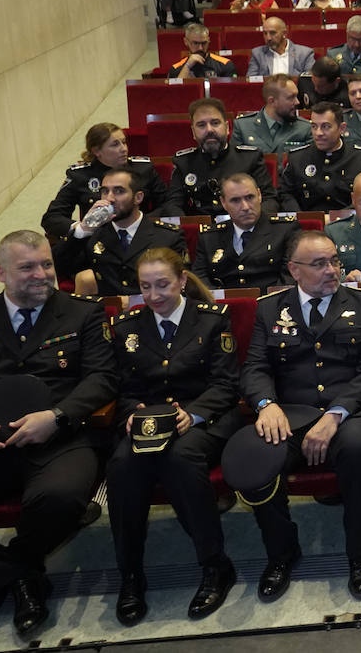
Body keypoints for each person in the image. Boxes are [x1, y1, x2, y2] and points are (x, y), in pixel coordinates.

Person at [229, 231, 361, 601]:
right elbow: (254, 368)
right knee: (255, 457)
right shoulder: (270, 308)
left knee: (357, 449)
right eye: (319, 264)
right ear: (294, 270)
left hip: (351, 413)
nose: (331, 270)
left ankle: (360, 554)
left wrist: (334, 415)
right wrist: (266, 406)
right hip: (290, 414)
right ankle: (281, 552)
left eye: (334, 260)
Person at [0, 230, 115, 634]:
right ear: (1, 273)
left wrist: (57, 415)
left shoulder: (82, 313)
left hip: (60, 439)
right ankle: (19, 577)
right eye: (27, 267)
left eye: (47, 264)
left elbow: (103, 378)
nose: (41, 274)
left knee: (62, 498)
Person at [106, 248, 243, 623]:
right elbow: (123, 388)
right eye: (145, 287)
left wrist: (194, 414)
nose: (153, 296)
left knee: (180, 458)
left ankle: (215, 564)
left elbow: (226, 384)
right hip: (148, 424)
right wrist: (130, 412)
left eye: (163, 284)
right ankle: (130, 573)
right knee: (121, 466)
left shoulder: (212, 320)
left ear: (182, 280)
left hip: (205, 417)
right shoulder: (127, 326)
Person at [60, 169, 188, 296]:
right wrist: (83, 229)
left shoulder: (168, 236)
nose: (109, 198)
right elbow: (61, 268)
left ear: (138, 197)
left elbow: (182, 285)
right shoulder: (94, 235)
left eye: (119, 191)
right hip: (106, 313)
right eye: (105, 191)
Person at [41, 123, 165, 240]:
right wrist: (81, 229)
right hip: (96, 241)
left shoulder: (143, 169)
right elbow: (52, 218)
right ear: (96, 151)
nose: (124, 149)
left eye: (124, 142)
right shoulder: (80, 176)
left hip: (139, 236)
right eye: (115, 144)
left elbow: (167, 203)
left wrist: (141, 223)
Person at [159, 99, 274, 218]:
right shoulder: (184, 162)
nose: (209, 130)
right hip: (200, 232)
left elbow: (269, 200)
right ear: (193, 132)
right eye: (201, 125)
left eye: (215, 123)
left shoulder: (250, 158)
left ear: (227, 127)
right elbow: (173, 205)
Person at [192, 174, 298, 291]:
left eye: (250, 197)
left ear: (259, 195)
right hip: (222, 306)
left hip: (271, 304)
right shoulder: (209, 237)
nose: (245, 207)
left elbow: (289, 278)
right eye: (235, 200)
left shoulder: (285, 230)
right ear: (223, 203)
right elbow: (200, 278)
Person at [277, 102, 361, 212]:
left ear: (342, 128)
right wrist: (302, 218)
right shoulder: (297, 158)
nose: (318, 133)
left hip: (348, 223)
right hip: (306, 225)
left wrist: (337, 219)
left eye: (325, 126)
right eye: (314, 126)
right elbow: (285, 194)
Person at [232, 74, 313, 155]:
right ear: (272, 101)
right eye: (291, 97)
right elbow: (235, 164)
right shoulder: (242, 127)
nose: (297, 102)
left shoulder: (305, 129)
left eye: (296, 96)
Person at [248, 18, 316, 79]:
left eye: (272, 33)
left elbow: (309, 81)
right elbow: (251, 80)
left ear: (284, 33)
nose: (268, 38)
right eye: (265, 33)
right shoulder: (257, 54)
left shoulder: (304, 53)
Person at [168, 24, 236, 79]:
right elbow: (175, 92)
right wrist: (187, 67)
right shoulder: (176, 69)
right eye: (195, 43)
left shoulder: (225, 64)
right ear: (186, 42)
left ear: (209, 41)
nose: (200, 48)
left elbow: (229, 92)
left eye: (204, 43)